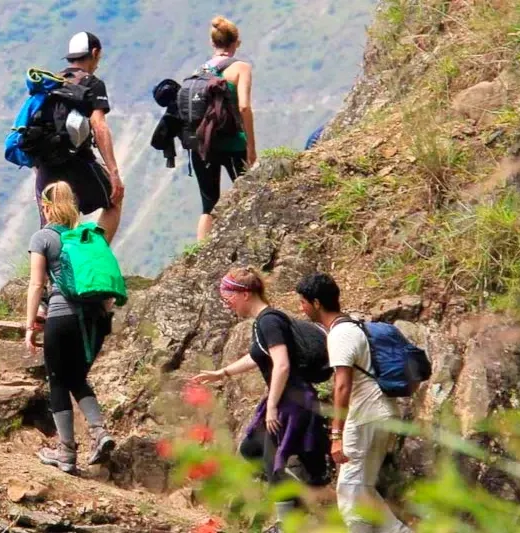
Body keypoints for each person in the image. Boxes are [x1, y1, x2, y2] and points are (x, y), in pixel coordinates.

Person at [192, 267, 328, 533]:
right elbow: (259, 355)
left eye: (228, 296)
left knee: (271, 459)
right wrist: (222, 373)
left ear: (244, 294)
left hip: (292, 401)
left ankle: (287, 523)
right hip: (288, 399)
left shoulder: (268, 321)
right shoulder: (266, 321)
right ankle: (299, 501)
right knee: (251, 450)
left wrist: (273, 407)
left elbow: (282, 365)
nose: (227, 303)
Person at [296, 272, 412, 533]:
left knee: (349, 492)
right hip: (381, 413)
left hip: (365, 417)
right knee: (363, 490)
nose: (300, 308)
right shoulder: (353, 326)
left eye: (302, 302)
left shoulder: (340, 334)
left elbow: (342, 385)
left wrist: (336, 434)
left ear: (316, 303)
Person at [25, 181, 116, 473]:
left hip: (62, 317)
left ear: (47, 206)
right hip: (95, 320)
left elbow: (37, 283)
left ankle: (65, 453)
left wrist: (29, 326)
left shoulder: (43, 238)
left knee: (57, 380)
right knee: (76, 377)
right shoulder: (88, 237)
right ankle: (100, 432)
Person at [34, 31, 124, 244]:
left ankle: (48, 275)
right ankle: (94, 257)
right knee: (115, 200)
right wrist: (114, 173)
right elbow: (99, 126)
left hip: (45, 165)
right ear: (94, 53)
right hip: (79, 162)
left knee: (52, 225)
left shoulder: (51, 83)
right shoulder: (92, 84)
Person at [191, 16, 256, 242]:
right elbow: (244, 107)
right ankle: (249, 241)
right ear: (236, 42)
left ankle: (199, 257)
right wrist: (251, 147)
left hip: (202, 144)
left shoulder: (200, 70)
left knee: (208, 205)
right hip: (233, 142)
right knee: (250, 194)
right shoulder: (241, 68)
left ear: (213, 43)